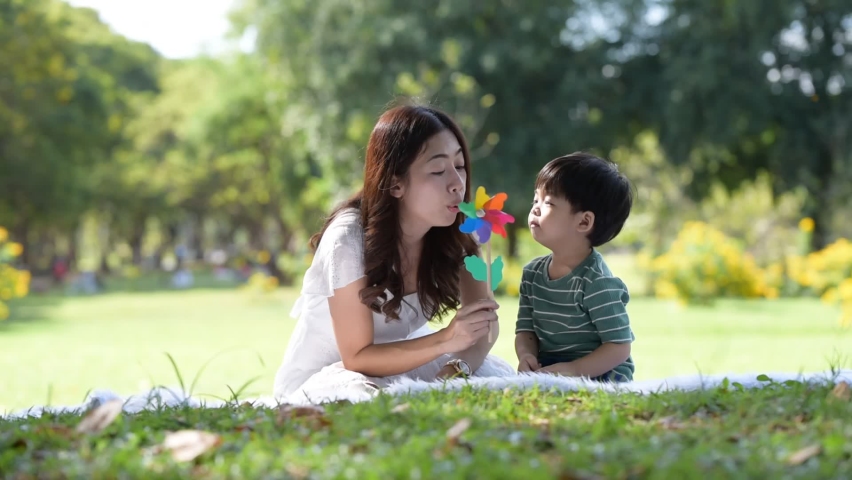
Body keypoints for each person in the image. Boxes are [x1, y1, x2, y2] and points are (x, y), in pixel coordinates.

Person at [273, 104, 514, 401]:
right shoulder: (348, 239)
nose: (457, 183)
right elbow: (357, 358)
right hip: (335, 375)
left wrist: (455, 369)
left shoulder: (461, 229)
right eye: (439, 170)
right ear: (396, 183)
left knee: (485, 377)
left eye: (460, 166)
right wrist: (447, 338)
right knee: (367, 399)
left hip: (403, 363)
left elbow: (484, 327)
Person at [514, 152, 636, 382]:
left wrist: (574, 370)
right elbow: (525, 329)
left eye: (548, 202)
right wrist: (526, 355)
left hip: (602, 374)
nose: (536, 209)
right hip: (551, 369)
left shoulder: (597, 282)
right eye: (535, 200)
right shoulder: (531, 274)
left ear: (584, 222)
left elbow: (619, 347)